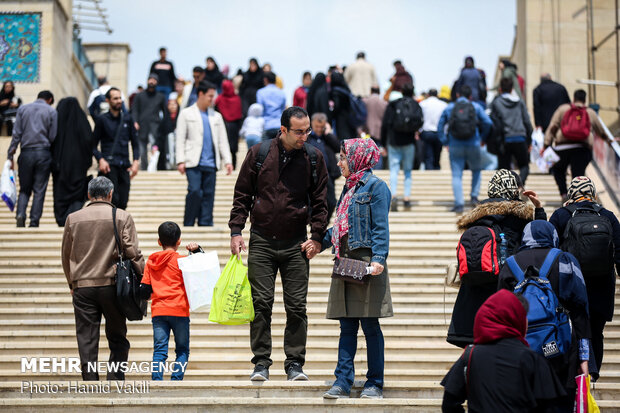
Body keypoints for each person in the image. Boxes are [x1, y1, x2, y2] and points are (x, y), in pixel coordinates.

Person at [228, 106, 328, 382]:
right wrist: (236, 230)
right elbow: (242, 194)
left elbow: (321, 203)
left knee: (297, 306)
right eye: (299, 131)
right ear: (283, 129)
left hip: (296, 243)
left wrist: (317, 237)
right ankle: (261, 363)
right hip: (261, 240)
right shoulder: (259, 153)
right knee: (261, 304)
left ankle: (294, 364)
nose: (304, 136)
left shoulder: (313, 157)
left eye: (307, 130)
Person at [319, 138, 392, 400]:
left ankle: (375, 383)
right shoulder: (348, 189)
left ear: (357, 158)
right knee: (347, 326)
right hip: (346, 262)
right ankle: (342, 381)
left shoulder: (376, 187)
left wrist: (379, 259)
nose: (339, 162)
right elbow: (341, 227)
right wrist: (318, 243)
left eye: (342, 157)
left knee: (371, 326)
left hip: (366, 264)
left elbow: (380, 226)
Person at [498, 220, 592, 411]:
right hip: (561, 352)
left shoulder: (509, 265)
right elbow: (581, 310)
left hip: (521, 353)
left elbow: (501, 314)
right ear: (553, 236)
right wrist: (584, 357)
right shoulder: (566, 260)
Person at [448, 169, 546, 348]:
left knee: (476, 351)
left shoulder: (475, 219)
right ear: (514, 190)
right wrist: (538, 210)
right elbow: (541, 239)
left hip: (473, 294)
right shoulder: (519, 218)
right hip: (506, 288)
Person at [61, 176, 144, 380]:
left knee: (87, 338)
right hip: (113, 285)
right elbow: (132, 252)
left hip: (82, 286)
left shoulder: (73, 218)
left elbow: (66, 254)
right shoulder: (122, 216)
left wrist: (72, 282)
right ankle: (115, 380)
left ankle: (90, 382)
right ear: (110, 194)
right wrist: (143, 278)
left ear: (89, 194)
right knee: (117, 336)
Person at [441, 290, 566, 412]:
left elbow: (449, 403)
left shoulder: (470, 355)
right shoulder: (532, 360)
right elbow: (552, 406)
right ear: (517, 320)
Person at [549, 176, 620, 379]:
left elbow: (550, 249)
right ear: (593, 193)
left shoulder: (561, 216)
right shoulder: (608, 216)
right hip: (602, 286)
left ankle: (576, 375)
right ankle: (592, 376)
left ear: (572, 193)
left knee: (574, 330)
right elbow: (619, 251)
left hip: (571, 285)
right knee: (596, 332)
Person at [139, 221, 200, 381]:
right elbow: (200, 275)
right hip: (179, 310)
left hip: (159, 311)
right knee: (182, 350)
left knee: (159, 350)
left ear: (159, 242)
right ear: (179, 241)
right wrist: (197, 251)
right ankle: (176, 380)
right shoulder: (183, 261)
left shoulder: (151, 262)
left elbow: (144, 290)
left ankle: (157, 381)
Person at [176, 81, 233, 227]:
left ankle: (206, 224)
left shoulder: (216, 116)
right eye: (209, 96)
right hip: (192, 161)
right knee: (195, 191)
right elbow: (180, 138)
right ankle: (188, 223)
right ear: (200, 94)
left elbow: (222, 141)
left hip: (211, 163)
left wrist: (227, 160)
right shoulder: (186, 113)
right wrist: (180, 160)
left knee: (209, 195)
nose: (212, 99)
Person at [437, 85, 492, 213]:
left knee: (457, 175)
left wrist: (445, 141)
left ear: (457, 95)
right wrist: (482, 138)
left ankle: (459, 204)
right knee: (476, 170)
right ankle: (473, 197)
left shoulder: (450, 107)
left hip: (455, 144)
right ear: (470, 96)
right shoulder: (476, 107)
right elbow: (488, 122)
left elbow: (440, 126)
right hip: (473, 143)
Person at [6, 90, 57, 227]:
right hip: (43, 153)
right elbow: (53, 136)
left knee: (24, 189)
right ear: (50, 99)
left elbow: (16, 133)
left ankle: (20, 214)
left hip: (26, 152)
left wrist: (10, 155)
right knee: (39, 190)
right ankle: (34, 221)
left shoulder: (23, 109)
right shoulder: (51, 112)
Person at [543, 89, 605, 200]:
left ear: (574, 98)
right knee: (578, 174)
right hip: (582, 148)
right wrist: (609, 141)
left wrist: (546, 144)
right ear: (585, 100)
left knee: (558, 169)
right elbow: (600, 130)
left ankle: (563, 193)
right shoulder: (590, 112)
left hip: (562, 147)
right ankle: (577, 197)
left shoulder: (563, 109)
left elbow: (553, 127)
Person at [92, 87, 141, 210]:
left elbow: (135, 143)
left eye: (120, 98)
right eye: (115, 98)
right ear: (108, 101)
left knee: (123, 202)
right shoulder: (102, 120)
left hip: (124, 165)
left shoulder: (128, 119)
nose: (119, 101)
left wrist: (136, 161)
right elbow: (92, 145)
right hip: (109, 167)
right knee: (113, 201)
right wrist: (100, 159)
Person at [51, 97, 93, 226]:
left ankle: (61, 219)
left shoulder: (56, 123)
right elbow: (89, 141)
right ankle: (74, 218)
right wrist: (87, 161)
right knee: (77, 194)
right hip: (78, 167)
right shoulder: (82, 122)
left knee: (60, 192)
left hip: (60, 166)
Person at [380, 83, 422, 211]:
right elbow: (420, 122)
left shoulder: (393, 104)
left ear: (402, 91)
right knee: (408, 171)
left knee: (394, 170)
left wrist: (383, 143)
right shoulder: (416, 105)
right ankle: (407, 198)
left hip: (394, 142)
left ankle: (393, 195)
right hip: (409, 142)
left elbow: (385, 125)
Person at [490, 77, 534, 184]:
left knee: (504, 169)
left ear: (500, 89)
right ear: (512, 89)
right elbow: (527, 122)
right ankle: (520, 184)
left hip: (505, 139)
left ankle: (508, 190)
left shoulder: (496, 103)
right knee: (524, 165)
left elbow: (493, 122)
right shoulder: (520, 102)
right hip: (520, 137)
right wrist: (529, 140)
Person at [308, 113, 341, 221]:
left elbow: (338, 147)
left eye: (321, 127)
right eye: (316, 126)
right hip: (310, 175)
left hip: (327, 175)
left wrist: (328, 133)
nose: (318, 129)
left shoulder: (327, 138)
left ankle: (321, 226)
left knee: (331, 202)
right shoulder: (307, 137)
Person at [132, 74, 168, 170]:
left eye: (154, 80)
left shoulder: (160, 96)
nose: (152, 82)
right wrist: (135, 122)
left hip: (155, 126)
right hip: (142, 126)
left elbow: (165, 112)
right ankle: (144, 168)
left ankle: (153, 168)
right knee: (142, 150)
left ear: (157, 82)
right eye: (150, 79)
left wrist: (162, 125)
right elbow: (134, 110)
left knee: (154, 148)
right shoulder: (139, 96)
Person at [215, 79, 243, 168]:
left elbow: (215, 110)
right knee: (233, 148)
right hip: (234, 126)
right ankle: (233, 165)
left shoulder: (219, 98)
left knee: (221, 144)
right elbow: (239, 114)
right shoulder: (237, 99)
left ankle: (220, 165)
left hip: (223, 124)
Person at [419, 88, 447, 170]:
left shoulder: (423, 104)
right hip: (439, 133)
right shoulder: (443, 104)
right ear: (437, 95)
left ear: (428, 95)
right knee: (437, 157)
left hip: (426, 132)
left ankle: (429, 173)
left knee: (428, 157)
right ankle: (437, 171)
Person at [256, 72, 286, 141]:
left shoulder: (260, 92)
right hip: (279, 125)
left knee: (265, 150)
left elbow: (260, 109)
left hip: (266, 125)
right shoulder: (281, 93)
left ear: (265, 80)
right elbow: (283, 109)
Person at [330, 72, 356, 140]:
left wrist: (332, 114)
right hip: (349, 117)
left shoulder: (335, 91)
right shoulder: (346, 89)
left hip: (341, 118)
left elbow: (337, 106)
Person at [157, 98, 180, 170]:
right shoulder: (164, 120)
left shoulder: (181, 119)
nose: (172, 106)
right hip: (166, 149)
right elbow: (159, 135)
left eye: (174, 104)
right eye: (170, 104)